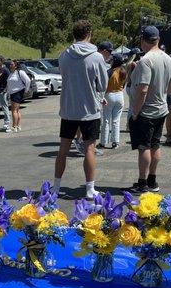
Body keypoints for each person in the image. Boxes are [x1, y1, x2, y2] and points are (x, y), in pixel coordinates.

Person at [53, 20, 108, 199]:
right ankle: (90, 188)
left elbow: (63, 75)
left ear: (74, 34)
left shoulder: (64, 55)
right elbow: (102, 85)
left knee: (63, 150)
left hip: (69, 108)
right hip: (90, 109)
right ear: (89, 34)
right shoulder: (97, 57)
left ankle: (56, 186)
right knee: (89, 149)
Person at [127, 26, 171, 194]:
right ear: (158, 39)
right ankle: (152, 180)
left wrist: (135, 111)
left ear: (143, 40)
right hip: (161, 108)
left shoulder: (145, 60)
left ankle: (142, 182)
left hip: (146, 111)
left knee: (144, 147)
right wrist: (160, 91)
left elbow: (143, 89)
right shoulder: (168, 59)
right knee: (155, 144)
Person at [99, 53, 126, 149]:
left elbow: (103, 85)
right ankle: (115, 142)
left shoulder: (109, 72)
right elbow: (124, 85)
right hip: (120, 95)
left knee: (106, 119)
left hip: (109, 94)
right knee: (116, 120)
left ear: (114, 61)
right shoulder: (123, 71)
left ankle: (103, 142)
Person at [6, 60, 30, 133]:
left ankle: (14, 126)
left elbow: (28, 81)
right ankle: (18, 126)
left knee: (13, 111)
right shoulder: (11, 74)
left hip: (17, 93)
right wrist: (8, 93)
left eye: (12, 64)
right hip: (12, 93)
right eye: (10, 64)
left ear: (16, 66)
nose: (10, 65)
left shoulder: (20, 72)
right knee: (17, 110)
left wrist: (26, 90)